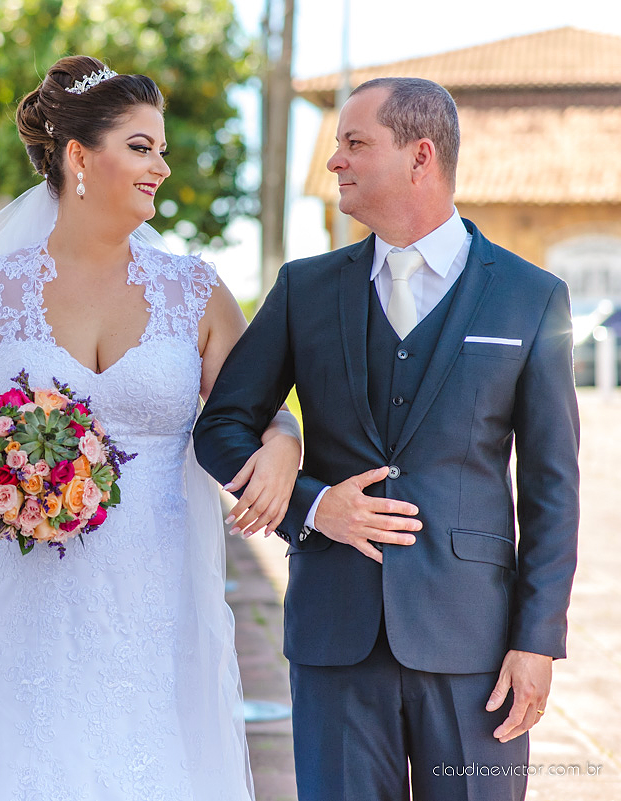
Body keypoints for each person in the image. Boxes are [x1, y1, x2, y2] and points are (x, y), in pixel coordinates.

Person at [0, 55, 303, 800]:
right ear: (81, 157)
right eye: (142, 147)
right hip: (27, 590)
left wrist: (284, 442)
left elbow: (258, 408)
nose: (160, 167)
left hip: (153, 596)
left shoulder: (195, 291)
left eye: (162, 150)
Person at [194, 77, 580, 801]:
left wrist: (537, 639)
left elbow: (553, 487)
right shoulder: (304, 289)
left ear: (420, 155)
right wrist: (311, 506)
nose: (334, 161)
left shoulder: (531, 297)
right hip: (335, 636)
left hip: (475, 644)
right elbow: (220, 426)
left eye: (354, 143)